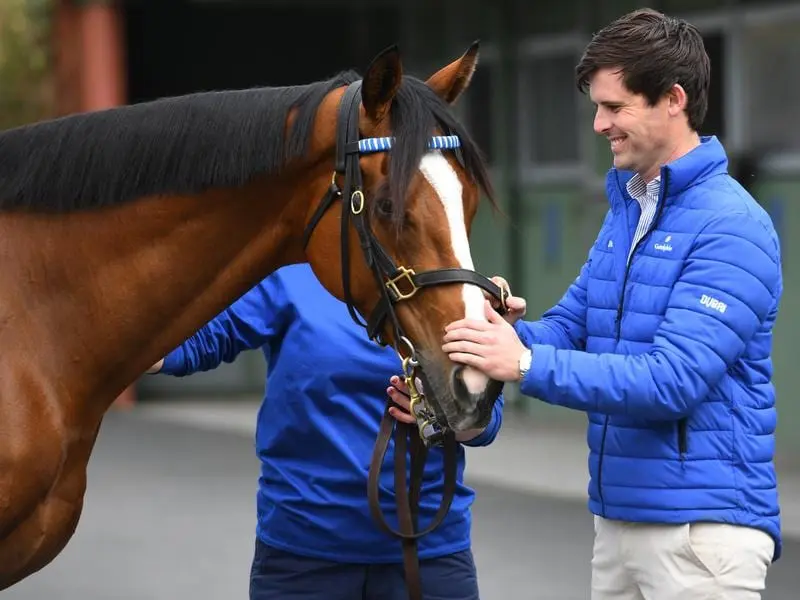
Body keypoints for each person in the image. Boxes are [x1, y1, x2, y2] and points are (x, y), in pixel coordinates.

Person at [440, 8, 782, 600]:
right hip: (617, 521)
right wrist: (496, 334)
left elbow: (673, 380)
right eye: (597, 107)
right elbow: (573, 327)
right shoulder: (629, 209)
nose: (599, 124)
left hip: (702, 536)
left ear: (673, 100)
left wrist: (520, 365)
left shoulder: (732, 227)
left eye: (615, 107)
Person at [148, 262, 504, 600]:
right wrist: (120, 343)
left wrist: (445, 414)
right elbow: (202, 340)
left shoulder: (448, 285)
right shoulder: (291, 277)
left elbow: (485, 423)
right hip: (304, 555)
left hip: (428, 554)